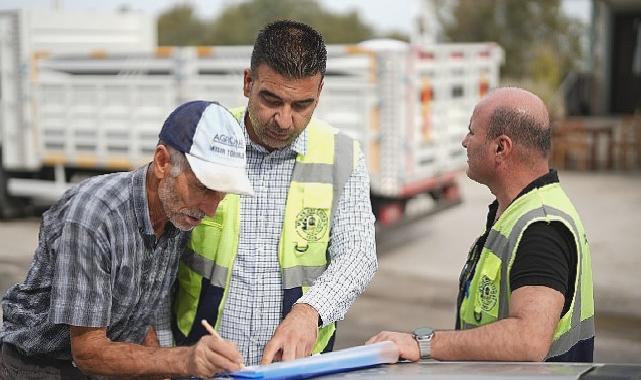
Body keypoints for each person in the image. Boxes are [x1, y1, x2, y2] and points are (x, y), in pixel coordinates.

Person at [165, 20, 377, 366]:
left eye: (301, 106)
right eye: (271, 99)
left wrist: (311, 310)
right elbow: (158, 253)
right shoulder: (205, 140)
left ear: (319, 93)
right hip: (200, 364)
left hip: (296, 369)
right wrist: (165, 355)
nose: (283, 120)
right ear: (248, 83)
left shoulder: (343, 154)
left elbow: (359, 254)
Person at [0, 101, 253, 379]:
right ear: (162, 162)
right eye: (204, 188)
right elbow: (87, 351)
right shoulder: (95, 216)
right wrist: (184, 360)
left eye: (222, 193)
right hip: (37, 367)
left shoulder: (176, 212)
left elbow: (141, 316)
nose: (210, 209)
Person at [367, 87, 594, 362]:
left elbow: (528, 340)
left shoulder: (541, 228)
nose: (465, 142)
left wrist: (424, 344)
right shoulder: (518, 210)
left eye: (472, 132)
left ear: (501, 147)